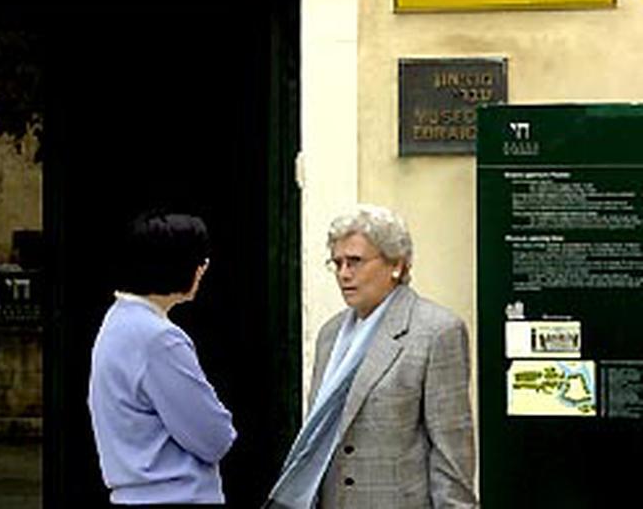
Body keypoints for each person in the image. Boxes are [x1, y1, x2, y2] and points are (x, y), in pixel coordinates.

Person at [265, 204, 478, 508]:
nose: (343, 274)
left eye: (355, 262)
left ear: (396, 265)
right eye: (336, 263)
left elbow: (451, 451)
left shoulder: (435, 331)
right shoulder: (331, 334)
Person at [88, 212, 237, 506]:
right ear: (180, 266)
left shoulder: (115, 322)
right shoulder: (160, 339)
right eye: (200, 261)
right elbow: (213, 437)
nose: (203, 270)